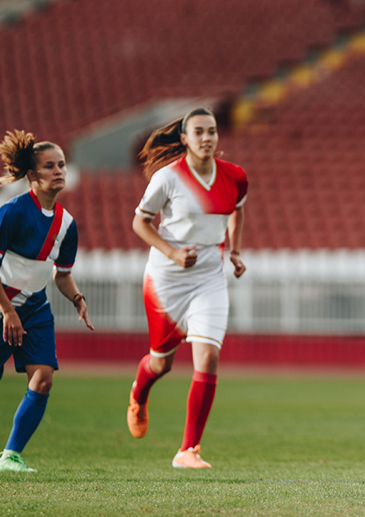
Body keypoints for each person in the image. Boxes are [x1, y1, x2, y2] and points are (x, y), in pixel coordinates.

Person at [0, 130, 94, 472]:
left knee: (43, 377)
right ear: (32, 175)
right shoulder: (12, 212)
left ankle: (10, 456)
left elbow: (61, 273)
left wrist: (77, 297)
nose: (58, 171)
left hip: (35, 310)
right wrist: (7, 311)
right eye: (49, 166)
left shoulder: (67, 225)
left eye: (61, 165)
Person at [126, 107, 248, 469]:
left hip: (209, 274)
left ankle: (188, 450)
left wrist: (235, 251)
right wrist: (172, 253)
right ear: (184, 139)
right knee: (161, 363)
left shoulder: (235, 176)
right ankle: (139, 392)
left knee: (208, 355)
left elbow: (237, 211)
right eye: (199, 132)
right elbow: (140, 222)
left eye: (211, 131)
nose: (207, 138)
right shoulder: (167, 178)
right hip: (167, 278)